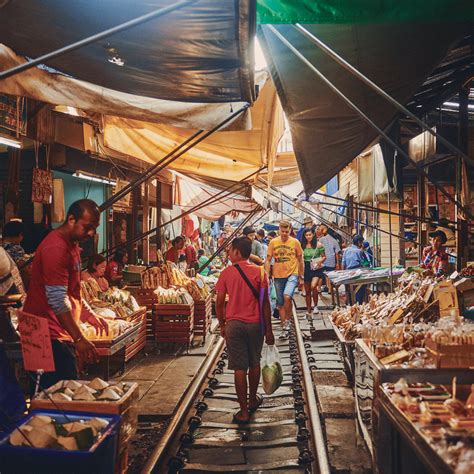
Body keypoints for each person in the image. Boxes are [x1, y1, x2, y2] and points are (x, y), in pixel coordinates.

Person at [23, 199, 109, 391]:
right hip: (45, 335)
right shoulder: (56, 248)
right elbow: (56, 299)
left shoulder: (72, 245)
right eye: (87, 227)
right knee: (56, 399)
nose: (91, 233)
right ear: (71, 219)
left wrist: (89, 314)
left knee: (66, 394)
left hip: (58, 333)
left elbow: (72, 292)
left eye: (94, 228)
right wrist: (79, 339)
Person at [215, 236, 274, 424]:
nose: (229, 253)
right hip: (256, 324)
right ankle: (251, 400)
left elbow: (219, 302)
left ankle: (243, 412)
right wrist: (269, 330)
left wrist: (223, 324)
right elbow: (265, 303)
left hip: (234, 325)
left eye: (230, 250)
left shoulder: (226, 273)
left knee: (239, 367)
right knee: (254, 363)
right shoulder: (260, 272)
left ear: (237, 253)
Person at [265, 220, 304, 339]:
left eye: (287, 232)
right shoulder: (273, 242)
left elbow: (300, 259)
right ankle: (284, 327)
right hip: (277, 276)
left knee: (288, 296)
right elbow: (268, 259)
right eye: (282, 231)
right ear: (279, 230)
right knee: (280, 303)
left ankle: (287, 321)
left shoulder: (295, 242)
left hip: (292, 273)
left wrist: (301, 276)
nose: (284, 234)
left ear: (290, 230)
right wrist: (267, 274)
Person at [300, 228, 326, 319]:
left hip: (316, 267)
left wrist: (319, 262)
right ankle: (308, 311)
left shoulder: (319, 245)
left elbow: (324, 257)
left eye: (309, 235)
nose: (308, 237)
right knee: (307, 291)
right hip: (306, 267)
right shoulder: (302, 246)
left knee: (313, 286)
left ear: (313, 235)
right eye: (306, 235)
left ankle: (315, 305)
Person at [342, 235, 366, 304]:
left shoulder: (346, 250)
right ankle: (359, 303)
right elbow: (362, 263)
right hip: (356, 271)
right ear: (359, 243)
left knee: (349, 288)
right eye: (361, 242)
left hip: (347, 271)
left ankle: (351, 303)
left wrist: (343, 273)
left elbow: (343, 263)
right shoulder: (358, 251)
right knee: (360, 287)